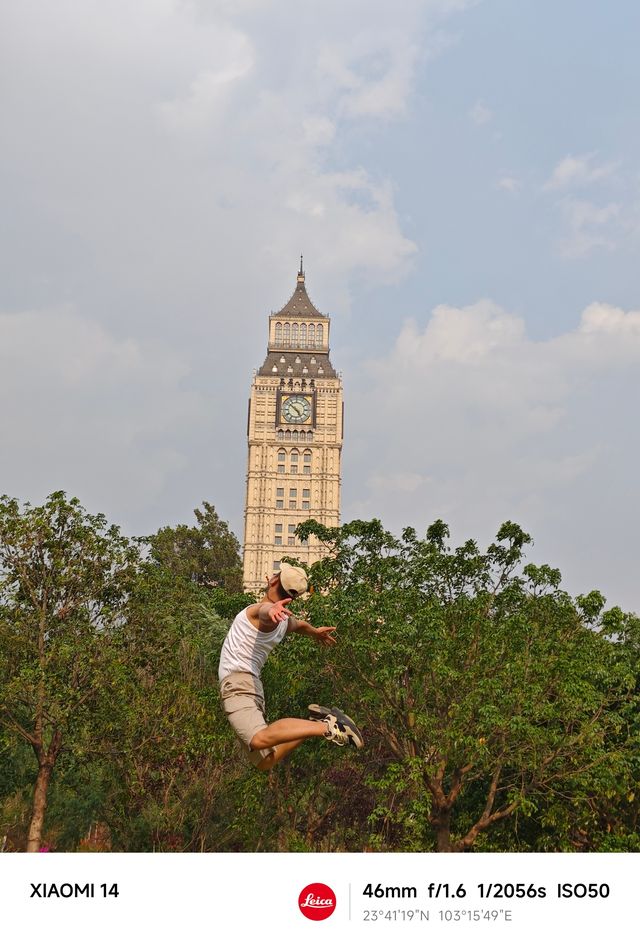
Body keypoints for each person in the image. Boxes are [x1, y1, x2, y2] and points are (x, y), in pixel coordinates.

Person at [218, 563, 364, 771]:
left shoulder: (259, 613)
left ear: (273, 580)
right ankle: (316, 720)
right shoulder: (284, 622)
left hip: (238, 684)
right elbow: (300, 625)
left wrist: (271, 609)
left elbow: (264, 611)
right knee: (265, 761)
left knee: (259, 739)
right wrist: (314, 632)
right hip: (251, 686)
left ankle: (329, 726)